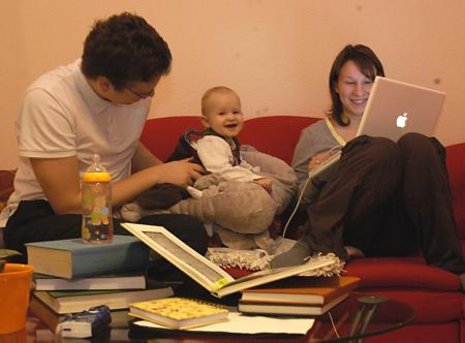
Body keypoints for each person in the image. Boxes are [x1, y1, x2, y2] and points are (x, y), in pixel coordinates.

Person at [0, 12, 208, 264]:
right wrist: (156, 175)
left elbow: (125, 143)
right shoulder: (48, 100)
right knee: (157, 244)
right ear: (105, 84)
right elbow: (69, 205)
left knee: (189, 231)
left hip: (111, 214)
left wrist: (176, 176)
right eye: (142, 92)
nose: (150, 95)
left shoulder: (132, 89)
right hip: (46, 217)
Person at [271, 44, 465, 289]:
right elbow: (297, 202)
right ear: (335, 86)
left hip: (400, 231)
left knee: (417, 142)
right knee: (379, 148)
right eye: (350, 82)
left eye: (368, 82)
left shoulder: (403, 130)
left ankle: (451, 264)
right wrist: (316, 176)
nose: (359, 91)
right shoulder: (314, 136)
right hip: (347, 229)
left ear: (380, 85)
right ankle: (315, 240)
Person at [122, 86, 298, 252]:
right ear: (206, 122)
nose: (231, 118)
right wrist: (251, 179)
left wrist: (253, 173)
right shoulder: (210, 141)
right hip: (183, 179)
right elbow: (220, 169)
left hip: (204, 181)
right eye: (222, 113)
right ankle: (139, 210)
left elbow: (236, 164)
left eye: (236, 112)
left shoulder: (229, 141)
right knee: (168, 196)